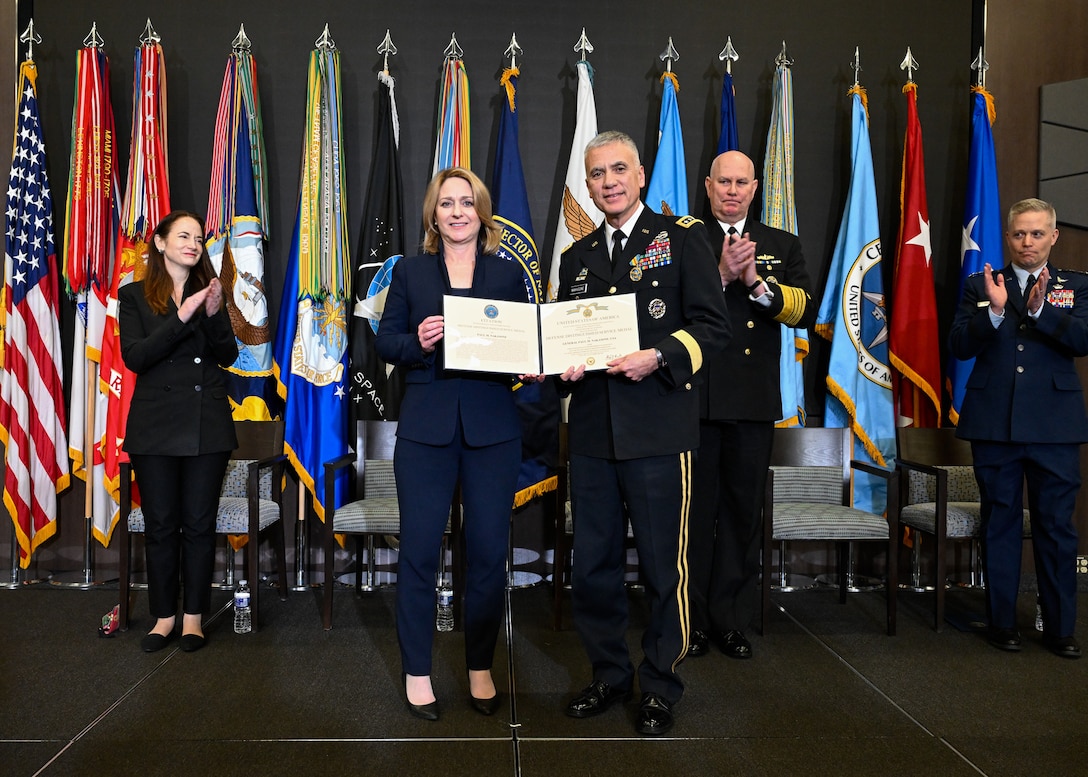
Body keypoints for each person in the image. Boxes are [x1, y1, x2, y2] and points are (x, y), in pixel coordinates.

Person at [556, 131, 730, 735]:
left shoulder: (683, 239)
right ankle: (608, 674)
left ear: (641, 174)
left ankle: (659, 684)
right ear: (588, 181)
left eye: (618, 170)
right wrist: (563, 367)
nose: (608, 181)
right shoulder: (575, 257)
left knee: (664, 568)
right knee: (594, 567)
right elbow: (563, 347)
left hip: (659, 429)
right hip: (595, 437)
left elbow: (714, 328)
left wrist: (658, 357)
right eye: (597, 173)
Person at [376, 167, 539, 721]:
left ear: (481, 211)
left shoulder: (507, 275)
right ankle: (417, 673)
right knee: (420, 552)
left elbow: (526, 345)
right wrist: (416, 343)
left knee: (490, 557)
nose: (457, 212)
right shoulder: (410, 272)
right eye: (446, 203)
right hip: (426, 433)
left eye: (466, 202)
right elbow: (384, 341)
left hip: (493, 433)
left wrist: (535, 367)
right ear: (433, 214)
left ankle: (479, 667)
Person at [687, 150, 816, 660]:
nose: (733, 190)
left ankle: (729, 620)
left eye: (742, 182)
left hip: (752, 402)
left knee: (742, 516)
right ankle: (691, 621)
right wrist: (719, 275)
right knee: (694, 517)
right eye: (724, 182)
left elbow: (804, 310)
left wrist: (758, 285)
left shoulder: (781, 244)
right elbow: (669, 305)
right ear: (708, 185)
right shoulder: (683, 237)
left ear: (756, 186)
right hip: (695, 398)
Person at [950, 197, 1088, 659]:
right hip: (996, 424)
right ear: (1007, 237)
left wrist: (1037, 311)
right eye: (1018, 234)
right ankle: (1002, 622)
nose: (1026, 242)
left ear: (1053, 236)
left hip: (1055, 426)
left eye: (1036, 233)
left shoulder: (1077, 285)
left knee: (1055, 527)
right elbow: (960, 345)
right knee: (1001, 524)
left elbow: (1083, 339)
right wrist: (993, 313)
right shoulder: (980, 284)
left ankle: (1060, 629)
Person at [119, 210, 239, 654]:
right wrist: (182, 316)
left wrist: (209, 314)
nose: (193, 243)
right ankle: (164, 617)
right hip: (154, 426)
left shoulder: (211, 292)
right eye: (183, 235)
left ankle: (193, 619)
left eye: (199, 237)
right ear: (161, 242)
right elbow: (137, 357)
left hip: (206, 424)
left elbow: (227, 355)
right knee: (161, 524)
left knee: (198, 523)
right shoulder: (133, 296)